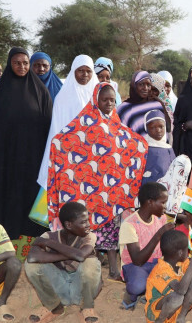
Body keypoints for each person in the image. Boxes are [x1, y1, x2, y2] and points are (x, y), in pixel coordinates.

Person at [47, 83, 147, 280]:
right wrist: (57, 144)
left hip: (112, 190)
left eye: (112, 100)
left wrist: (142, 145)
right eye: (105, 100)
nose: (109, 103)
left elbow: (129, 145)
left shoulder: (116, 124)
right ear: (95, 100)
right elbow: (66, 140)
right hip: (88, 192)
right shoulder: (84, 122)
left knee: (111, 228)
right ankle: (88, 266)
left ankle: (113, 269)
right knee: (87, 229)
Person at [0, 47, 53, 243]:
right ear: (9, 64)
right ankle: (6, 238)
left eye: (25, 63)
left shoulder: (40, 91)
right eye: (17, 63)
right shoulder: (0, 93)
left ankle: (32, 240)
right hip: (7, 158)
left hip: (34, 158)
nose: (22, 66)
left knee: (29, 196)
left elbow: (48, 127)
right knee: (7, 196)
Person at [36, 54, 100, 211]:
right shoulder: (63, 97)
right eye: (80, 70)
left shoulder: (99, 96)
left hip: (93, 155)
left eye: (88, 71)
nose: (84, 74)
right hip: (68, 156)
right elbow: (57, 130)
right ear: (73, 72)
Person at [25, 202, 102, 323]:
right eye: (83, 222)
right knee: (31, 265)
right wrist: (70, 254)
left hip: (80, 289)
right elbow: (32, 257)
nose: (88, 225)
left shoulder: (89, 236)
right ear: (68, 225)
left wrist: (49, 244)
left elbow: (81, 256)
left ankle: (86, 307)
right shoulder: (49, 235)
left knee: (91, 263)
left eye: (88, 220)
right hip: (58, 287)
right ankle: (54, 307)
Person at [119, 182, 175, 310]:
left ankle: (150, 292)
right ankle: (131, 296)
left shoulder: (161, 219)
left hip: (156, 262)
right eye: (162, 202)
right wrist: (159, 233)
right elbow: (138, 260)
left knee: (172, 283)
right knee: (137, 286)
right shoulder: (130, 224)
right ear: (150, 202)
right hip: (135, 265)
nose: (165, 207)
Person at [144, 230, 192, 323]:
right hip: (156, 313)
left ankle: (180, 317)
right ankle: (160, 321)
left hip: (174, 309)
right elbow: (181, 290)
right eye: (187, 249)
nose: (189, 251)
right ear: (180, 253)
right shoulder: (160, 270)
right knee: (177, 297)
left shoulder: (181, 262)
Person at [118, 71, 172, 139]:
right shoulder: (124, 109)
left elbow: (167, 128)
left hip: (157, 148)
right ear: (134, 85)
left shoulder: (157, 104)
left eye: (148, 85)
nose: (145, 88)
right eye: (141, 84)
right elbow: (120, 134)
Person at [142, 110, 176, 185]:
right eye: (152, 127)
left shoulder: (168, 148)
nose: (158, 130)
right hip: (150, 187)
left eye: (161, 126)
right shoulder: (143, 148)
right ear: (146, 128)